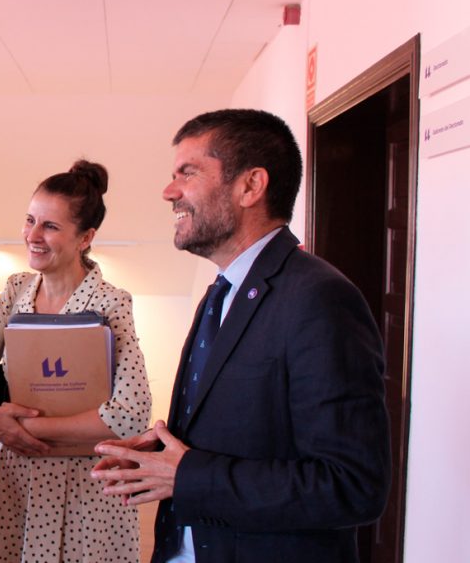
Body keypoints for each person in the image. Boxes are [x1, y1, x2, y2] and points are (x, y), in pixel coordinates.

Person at [91, 109, 391, 563]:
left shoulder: (321, 299)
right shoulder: (219, 292)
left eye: (187, 174)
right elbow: (248, 426)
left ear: (251, 186)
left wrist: (188, 476)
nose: (169, 192)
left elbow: (352, 485)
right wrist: (155, 455)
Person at [0, 160, 152, 562]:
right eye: (30, 220)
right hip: (12, 478)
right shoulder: (16, 290)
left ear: (85, 237)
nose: (33, 236)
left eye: (50, 227)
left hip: (86, 487)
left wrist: (24, 427)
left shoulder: (111, 303)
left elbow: (129, 414)